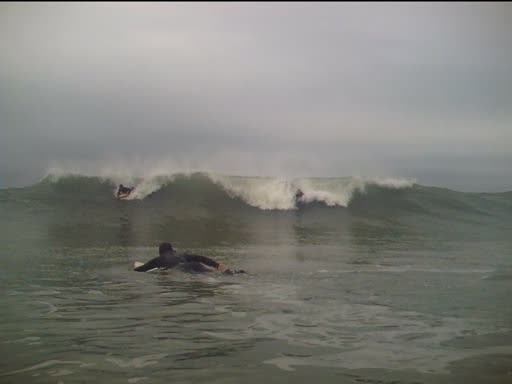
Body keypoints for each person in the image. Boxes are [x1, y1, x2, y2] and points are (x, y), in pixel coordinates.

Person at [134, 242, 245, 274]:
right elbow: (200, 258)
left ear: (160, 253)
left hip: (182, 269)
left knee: (206, 277)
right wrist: (217, 265)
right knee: (211, 273)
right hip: (195, 265)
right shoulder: (181, 255)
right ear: (172, 251)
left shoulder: (158, 260)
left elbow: (142, 269)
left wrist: (131, 269)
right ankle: (235, 272)